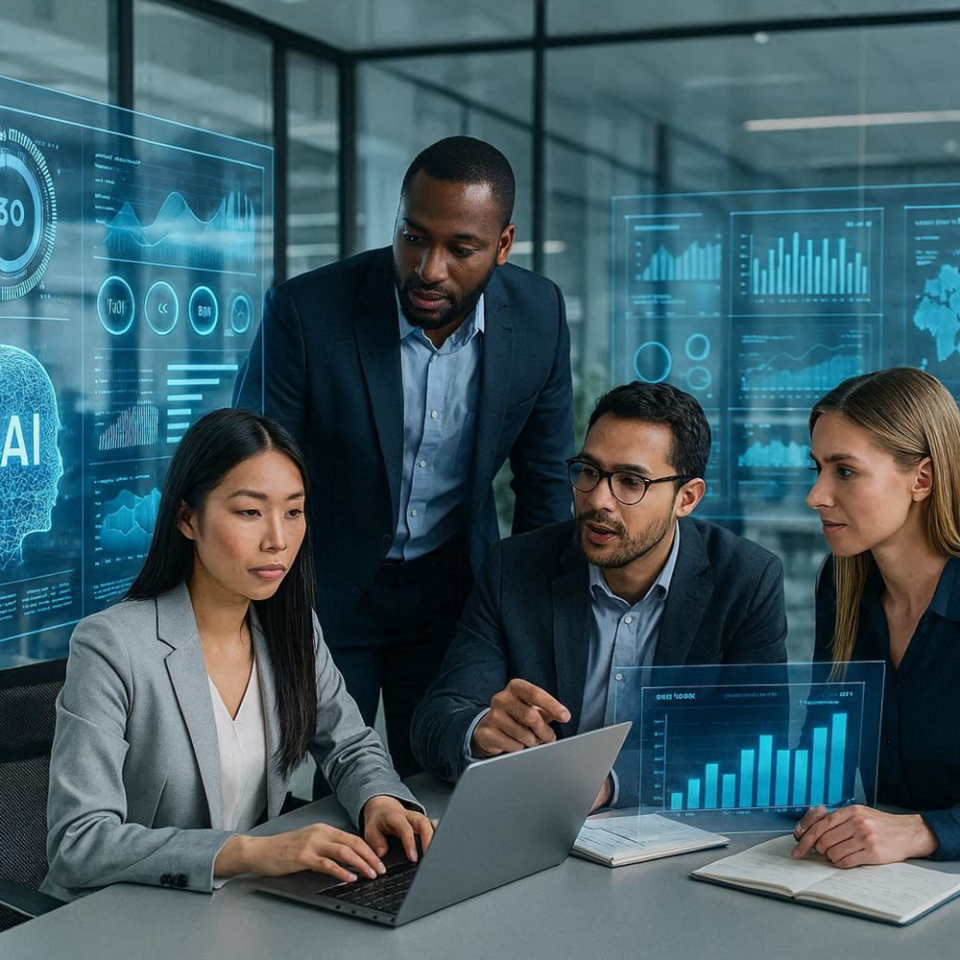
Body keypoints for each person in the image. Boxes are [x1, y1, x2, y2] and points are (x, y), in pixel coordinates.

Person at [233, 136, 574, 786]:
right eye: (412, 236)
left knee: (448, 780)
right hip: (323, 590)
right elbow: (253, 473)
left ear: (502, 245)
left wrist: (526, 637)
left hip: (454, 594)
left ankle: (423, 891)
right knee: (312, 788)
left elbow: (544, 490)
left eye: (460, 248)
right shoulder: (307, 313)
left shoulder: (539, 317)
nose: (429, 268)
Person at [42, 409, 433, 901]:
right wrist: (249, 853)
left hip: (239, 911)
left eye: (293, 511)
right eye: (250, 512)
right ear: (188, 518)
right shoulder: (111, 646)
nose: (278, 540)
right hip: (121, 918)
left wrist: (380, 800)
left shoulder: (290, 627)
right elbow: (79, 843)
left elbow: (350, 745)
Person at [411, 381, 788, 804]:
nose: (597, 500)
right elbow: (436, 719)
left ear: (686, 498)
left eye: (630, 482)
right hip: (535, 823)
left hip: (674, 830)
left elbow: (756, 740)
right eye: (589, 471)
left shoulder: (745, 579)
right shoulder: (514, 568)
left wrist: (609, 782)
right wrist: (479, 730)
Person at [795, 367, 960, 865]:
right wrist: (814, 807)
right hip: (883, 885)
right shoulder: (841, 583)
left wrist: (925, 832)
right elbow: (823, 754)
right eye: (817, 469)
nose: (816, 496)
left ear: (921, 479)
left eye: (844, 471)